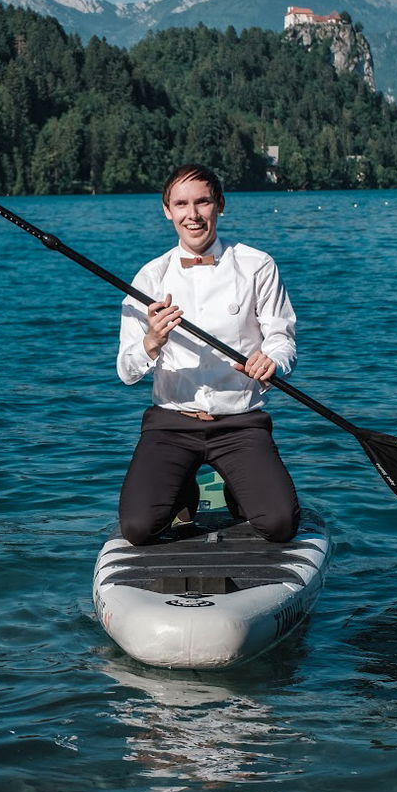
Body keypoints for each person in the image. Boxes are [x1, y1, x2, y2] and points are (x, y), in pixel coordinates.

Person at [115, 164, 300, 545]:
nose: (193, 214)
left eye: (203, 202)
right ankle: (182, 491)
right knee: (138, 528)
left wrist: (273, 360)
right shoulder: (150, 277)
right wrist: (152, 340)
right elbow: (126, 371)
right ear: (167, 210)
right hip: (170, 424)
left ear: (220, 206)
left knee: (280, 524)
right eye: (181, 204)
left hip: (240, 423)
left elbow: (282, 338)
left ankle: (240, 488)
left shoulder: (256, 265)